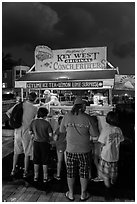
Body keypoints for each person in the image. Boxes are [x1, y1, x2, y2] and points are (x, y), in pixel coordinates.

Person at [60, 97, 99, 201]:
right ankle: (83, 194)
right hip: (84, 150)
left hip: (70, 150)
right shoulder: (88, 118)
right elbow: (95, 135)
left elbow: (62, 130)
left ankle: (71, 194)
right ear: (84, 106)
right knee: (84, 172)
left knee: (70, 172)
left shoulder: (66, 116)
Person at [7, 92, 38, 178]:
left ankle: (13, 170)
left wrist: (15, 122)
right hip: (27, 132)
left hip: (17, 130)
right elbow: (35, 120)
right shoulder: (35, 108)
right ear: (35, 99)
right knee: (27, 152)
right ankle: (25, 171)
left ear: (27, 97)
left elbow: (8, 113)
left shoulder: (19, 105)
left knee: (16, 151)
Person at [97, 111, 124, 188]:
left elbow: (101, 143)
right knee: (113, 173)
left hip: (106, 156)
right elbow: (121, 140)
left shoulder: (105, 130)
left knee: (105, 175)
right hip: (115, 157)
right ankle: (113, 183)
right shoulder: (118, 130)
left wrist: (99, 153)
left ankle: (108, 189)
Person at [29, 107, 53, 183]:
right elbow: (50, 134)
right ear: (45, 115)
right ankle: (45, 177)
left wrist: (34, 135)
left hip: (36, 143)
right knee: (45, 160)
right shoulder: (47, 123)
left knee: (36, 159)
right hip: (45, 143)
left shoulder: (33, 122)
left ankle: (35, 176)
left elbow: (30, 132)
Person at [53, 116, 66, 180]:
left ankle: (58, 175)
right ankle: (69, 175)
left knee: (60, 161)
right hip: (67, 146)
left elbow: (55, 138)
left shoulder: (58, 129)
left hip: (60, 147)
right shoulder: (67, 129)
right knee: (67, 162)